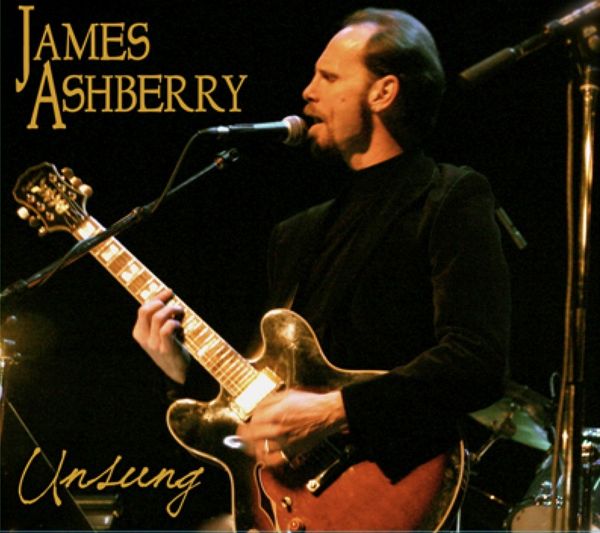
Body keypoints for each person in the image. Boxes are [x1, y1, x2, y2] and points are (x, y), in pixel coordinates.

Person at [133, 5, 510, 521]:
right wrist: (181, 372)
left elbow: (476, 360)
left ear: (384, 92)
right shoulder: (295, 234)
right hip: (297, 506)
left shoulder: (449, 196)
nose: (307, 91)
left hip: (392, 487)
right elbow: (272, 399)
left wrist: (334, 411)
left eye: (329, 77)